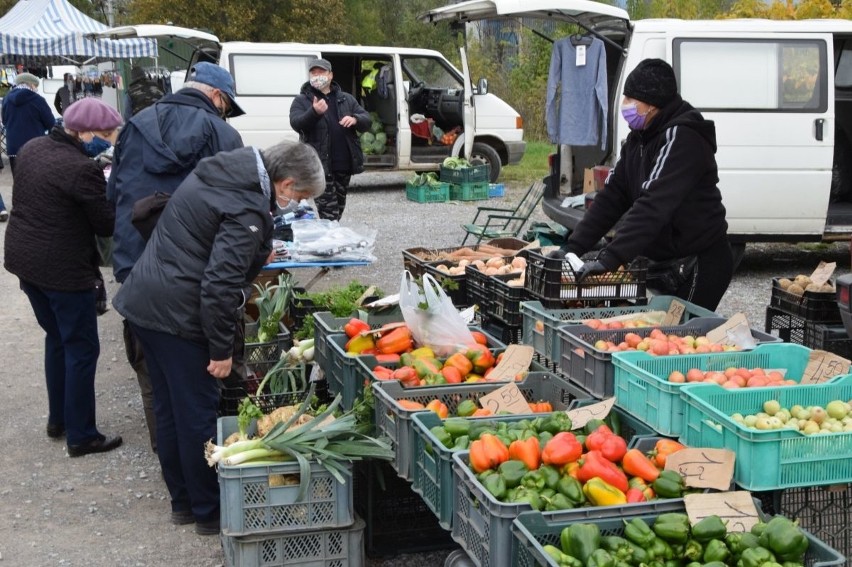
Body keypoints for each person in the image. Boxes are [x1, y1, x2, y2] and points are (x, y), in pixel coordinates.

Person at [113, 141, 325, 534]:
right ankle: (209, 512)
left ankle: (184, 503)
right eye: (300, 196)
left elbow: (208, 242)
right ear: (286, 182)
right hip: (178, 315)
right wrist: (220, 350)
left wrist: (255, 251)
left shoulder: (228, 170)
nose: (297, 203)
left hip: (148, 301)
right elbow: (218, 286)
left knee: (169, 409)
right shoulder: (247, 207)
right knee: (196, 415)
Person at [107, 61, 245, 453]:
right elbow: (233, 208)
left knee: (155, 375)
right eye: (226, 104)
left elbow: (113, 193)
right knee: (195, 377)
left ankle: (165, 452)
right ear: (217, 97)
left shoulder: (136, 125)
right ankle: (200, 464)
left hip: (136, 263)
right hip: (190, 270)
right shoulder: (222, 133)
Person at [558, 58, 733, 311]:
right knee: (660, 336)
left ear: (652, 104)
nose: (625, 105)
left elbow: (653, 205)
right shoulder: (637, 139)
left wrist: (610, 258)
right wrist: (572, 247)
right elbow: (612, 196)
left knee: (682, 340)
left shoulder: (682, 137)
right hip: (666, 262)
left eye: (631, 99)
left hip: (698, 263)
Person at [3, 98, 123, 456]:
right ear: (83, 132)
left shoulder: (32, 148)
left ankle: (59, 420)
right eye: (102, 133)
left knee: (57, 338)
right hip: (62, 268)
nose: (103, 138)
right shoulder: (79, 168)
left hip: (25, 260)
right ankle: (82, 435)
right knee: (82, 349)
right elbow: (106, 223)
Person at [289, 58, 371, 221]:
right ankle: (330, 242)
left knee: (338, 210)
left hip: (343, 165)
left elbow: (367, 120)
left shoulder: (346, 99)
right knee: (330, 214)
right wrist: (314, 112)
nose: (317, 75)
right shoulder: (302, 100)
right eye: (313, 72)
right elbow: (296, 123)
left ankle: (329, 238)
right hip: (319, 166)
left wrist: (355, 119)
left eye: (321, 72)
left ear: (331, 75)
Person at [2, 73, 55, 177]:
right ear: (31, 85)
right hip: (35, 147)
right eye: (36, 86)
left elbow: (4, 121)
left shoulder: (6, 99)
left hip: (13, 147)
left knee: (18, 181)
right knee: (35, 181)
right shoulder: (38, 100)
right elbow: (50, 123)